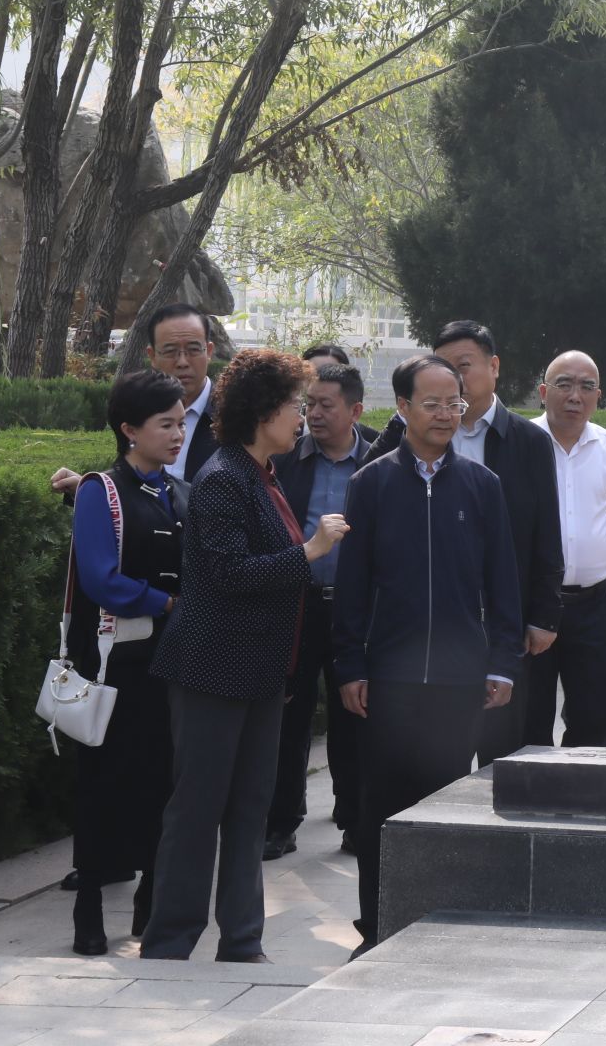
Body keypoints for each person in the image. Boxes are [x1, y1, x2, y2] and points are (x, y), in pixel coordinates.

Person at [141, 349, 349, 962]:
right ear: (263, 412)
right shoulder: (224, 477)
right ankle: (170, 942)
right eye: (294, 405)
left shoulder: (262, 473)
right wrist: (309, 551)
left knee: (251, 810)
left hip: (259, 672)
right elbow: (228, 574)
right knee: (198, 808)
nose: (303, 417)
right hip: (211, 670)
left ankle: (241, 940)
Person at [334, 354, 523, 956]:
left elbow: (503, 582)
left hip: (457, 680)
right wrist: (350, 665)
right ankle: (375, 927)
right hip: (387, 679)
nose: (446, 414)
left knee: (446, 806)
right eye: (433, 403)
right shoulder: (371, 484)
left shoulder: (482, 486)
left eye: (454, 403)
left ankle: (440, 926)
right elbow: (352, 587)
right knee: (379, 809)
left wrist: (502, 661)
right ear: (404, 407)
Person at [61, 370, 188, 956]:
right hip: (113, 665)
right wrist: (167, 602)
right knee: (101, 784)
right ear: (129, 429)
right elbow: (100, 580)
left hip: (171, 663)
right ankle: (88, 905)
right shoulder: (100, 490)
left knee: (163, 781)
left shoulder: (181, 493)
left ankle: (150, 900)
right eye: (166, 424)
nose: (178, 434)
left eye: (181, 422)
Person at [412, 321, 564, 760]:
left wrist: (544, 615)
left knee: (504, 749)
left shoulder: (529, 441)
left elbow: (546, 532)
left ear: (494, 366)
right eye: (443, 368)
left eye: (463, 366)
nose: (455, 379)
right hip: (438, 619)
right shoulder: (425, 435)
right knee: (440, 753)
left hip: (505, 617)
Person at [265, 363, 369, 862]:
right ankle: (281, 822)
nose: (314, 414)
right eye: (309, 404)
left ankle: (354, 819)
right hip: (298, 603)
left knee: (355, 717)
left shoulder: (379, 459)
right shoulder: (286, 459)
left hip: (356, 609)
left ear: (355, 410)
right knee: (290, 718)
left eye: (326, 404)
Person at [535, 351, 606, 745]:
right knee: (531, 714)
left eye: (586, 386)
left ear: (599, 396)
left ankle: (580, 781)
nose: (575, 395)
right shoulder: (523, 442)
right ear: (543, 392)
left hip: (593, 605)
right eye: (564, 384)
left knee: (593, 715)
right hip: (535, 604)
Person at [49, 305, 220, 503]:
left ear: (209, 351)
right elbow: (138, 495)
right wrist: (94, 490)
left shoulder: (233, 417)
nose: (182, 362)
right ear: (152, 356)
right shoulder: (136, 409)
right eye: (170, 351)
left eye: (193, 350)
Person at [301, 345, 379, 447]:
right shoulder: (287, 442)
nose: (319, 381)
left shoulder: (375, 446)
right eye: (311, 376)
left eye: (331, 372)